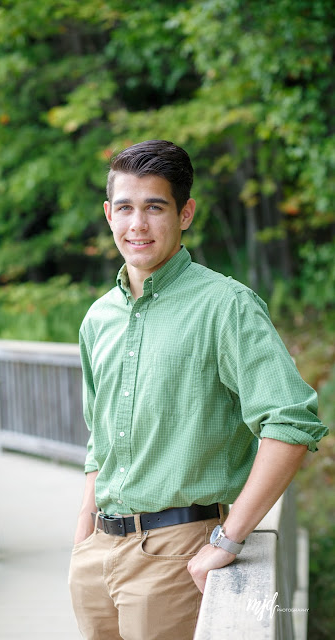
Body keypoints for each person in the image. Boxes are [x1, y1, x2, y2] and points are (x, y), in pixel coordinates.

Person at [68, 140, 328, 640]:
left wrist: (228, 541)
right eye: (125, 207)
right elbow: (98, 438)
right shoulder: (98, 317)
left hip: (175, 552)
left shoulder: (226, 306)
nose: (137, 225)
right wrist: (84, 531)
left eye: (154, 207)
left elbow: (292, 423)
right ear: (108, 214)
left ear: (185, 213)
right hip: (96, 556)